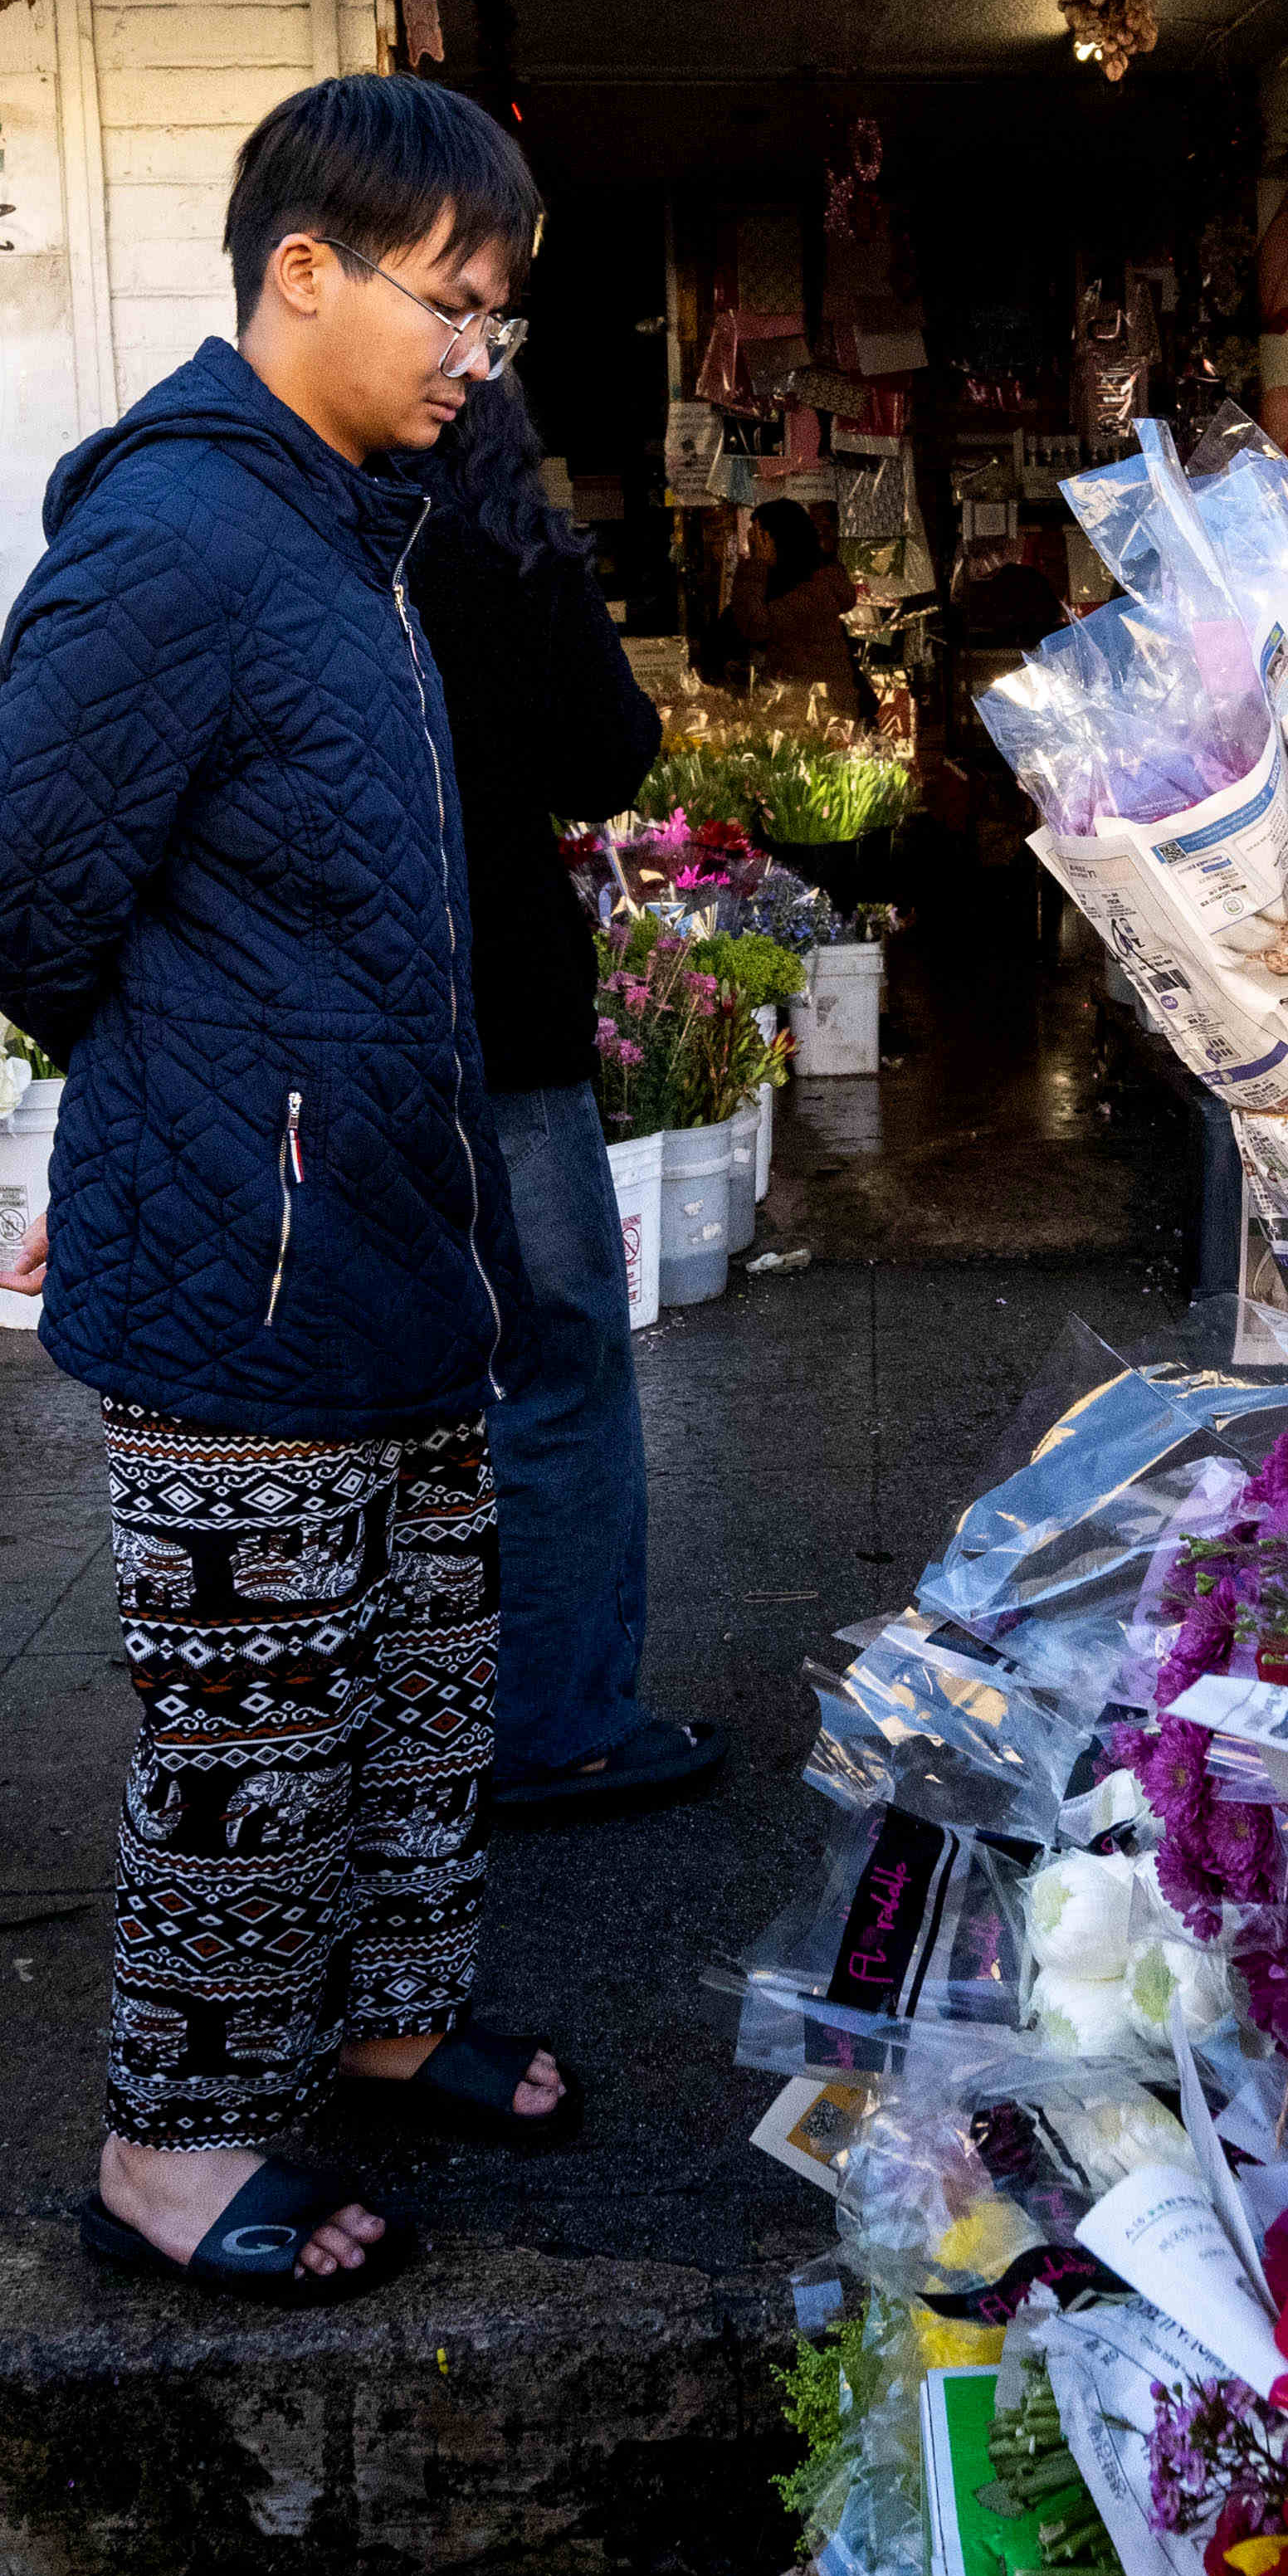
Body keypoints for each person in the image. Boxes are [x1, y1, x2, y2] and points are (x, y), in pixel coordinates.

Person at [0, 73, 579, 2304]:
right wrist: (209, 1087)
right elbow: (8, 888)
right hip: (249, 1248)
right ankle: (173, 2144)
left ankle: (384, 2016)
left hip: (394, 1235)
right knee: (254, 1720)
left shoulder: (342, 522)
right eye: (452, 301)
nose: (479, 350)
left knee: (414, 1677)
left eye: (502, 311)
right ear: (304, 267)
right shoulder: (184, 532)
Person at [402, 365, 722, 1820]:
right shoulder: (488, 542)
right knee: (557, 1357)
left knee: (391, 1378)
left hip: (334, 1019)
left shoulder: (310, 528)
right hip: (501, 1008)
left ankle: (412, 1709)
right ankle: (555, 1718)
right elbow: (610, 751)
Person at [735, 500, 869, 724]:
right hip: (800, 702)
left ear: (779, 538)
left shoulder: (817, 587)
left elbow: (756, 625)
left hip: (819, 709)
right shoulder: (783, 579)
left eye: (759, 537)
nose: (753, 545)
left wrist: (756, 566)